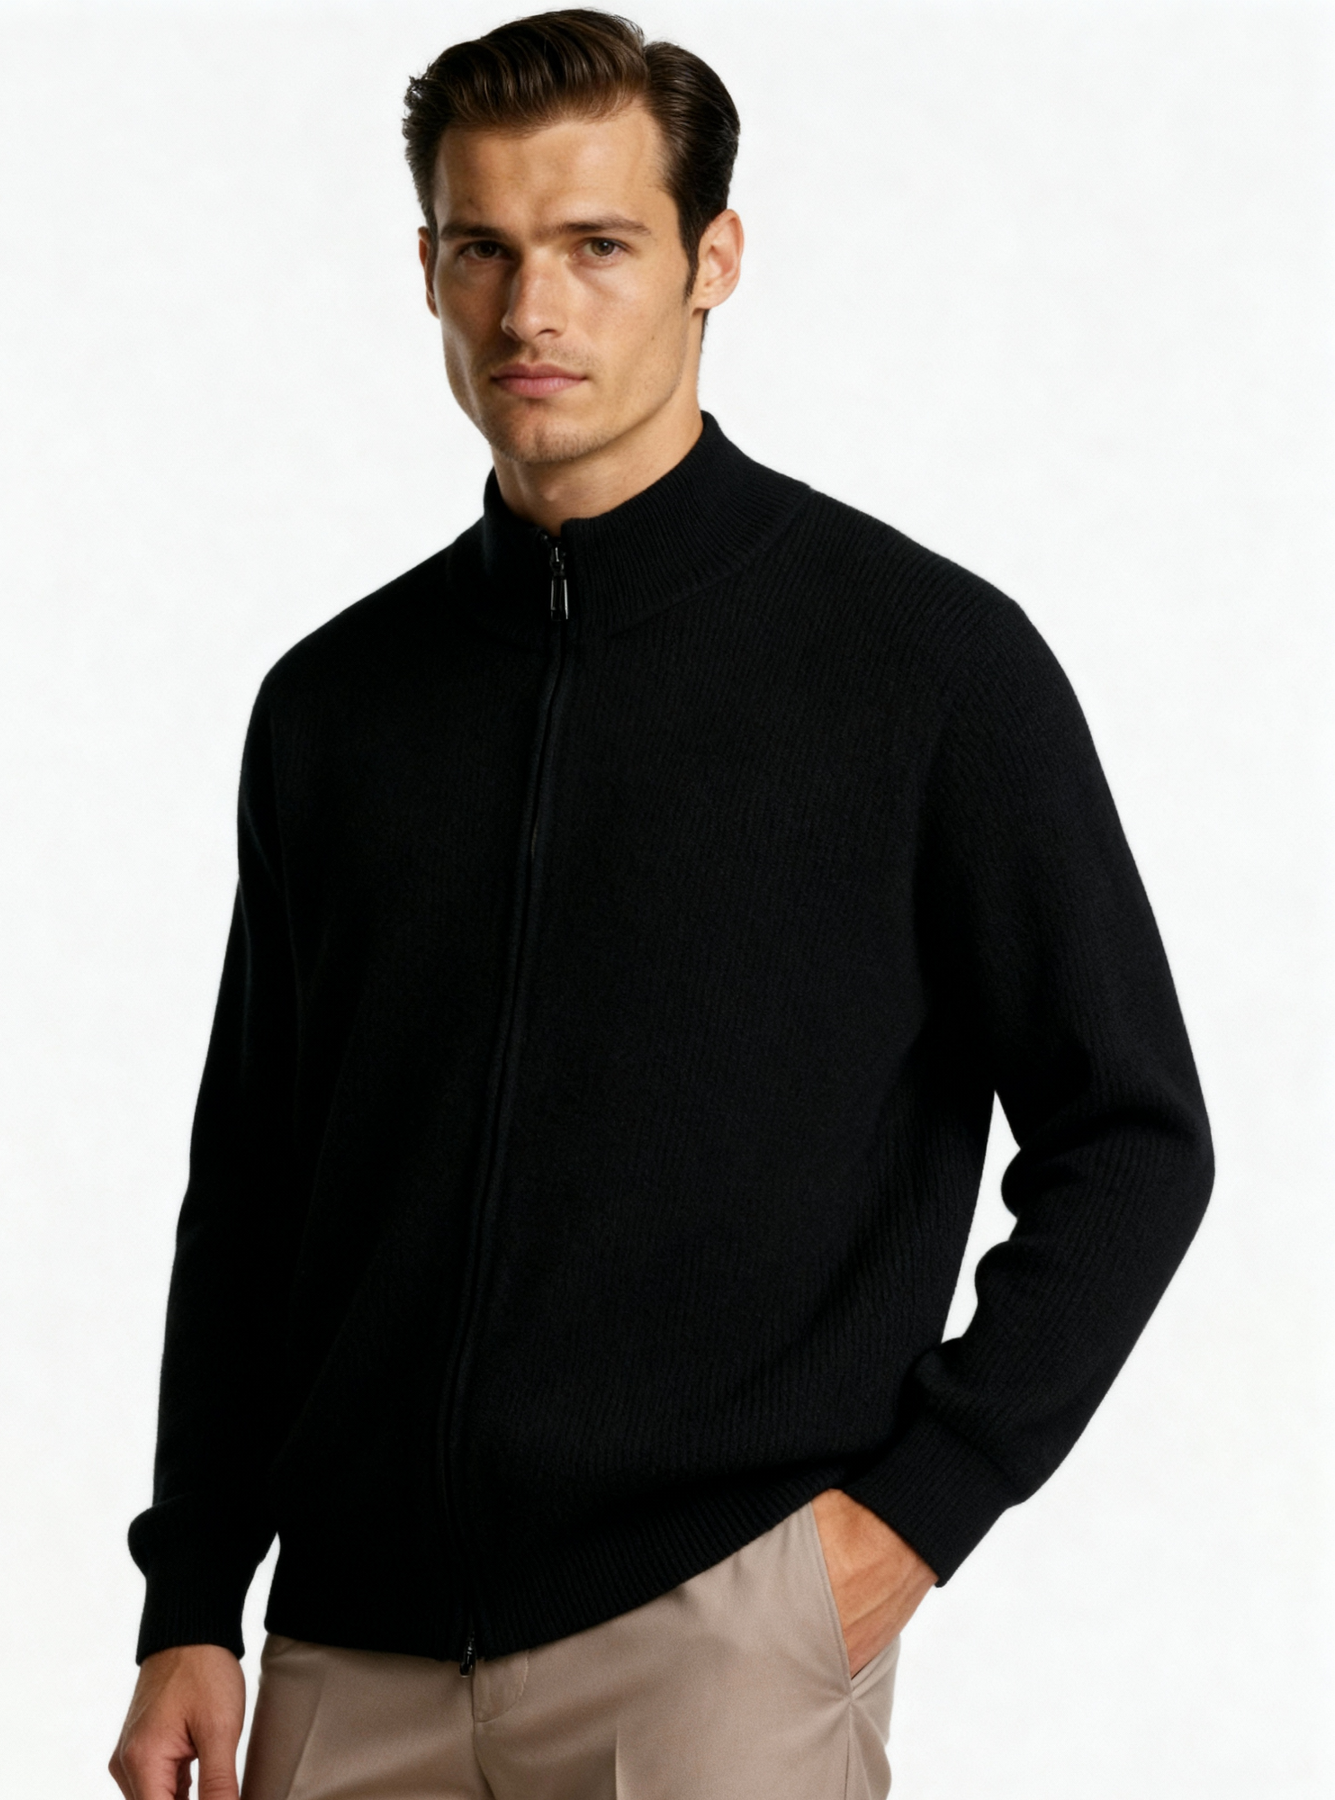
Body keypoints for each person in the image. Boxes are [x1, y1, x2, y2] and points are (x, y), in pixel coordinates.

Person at [108, 11, 1214, 1799]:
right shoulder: (335, 706)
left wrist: (907, 1524)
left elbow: (1135, 1136)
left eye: (599, 245)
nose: (531, 309)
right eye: (486, 249)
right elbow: (255, 1187)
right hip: (347, 1653)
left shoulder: (927, 667)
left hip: (713, 1649)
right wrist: (190, 1601)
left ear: (715, 259)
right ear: (428, 271)